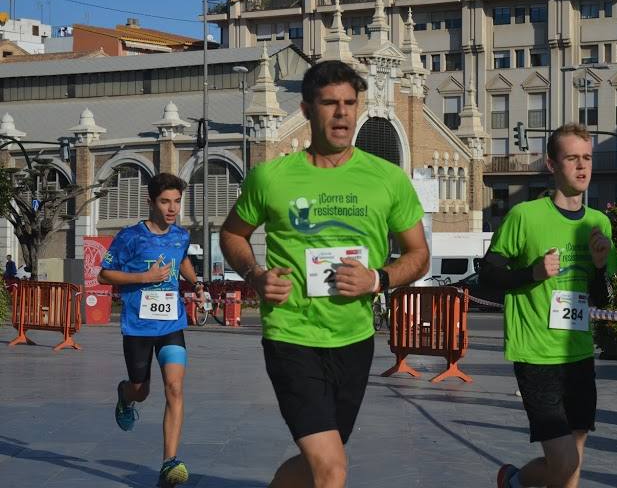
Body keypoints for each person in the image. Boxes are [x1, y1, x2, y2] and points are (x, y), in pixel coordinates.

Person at [219, 60, 429, 488]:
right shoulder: (271, 177)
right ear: (307, 109)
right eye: (330, 103)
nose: (342, 114)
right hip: (291, 336)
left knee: (320, 461)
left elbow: (418, 254)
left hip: (354, 340)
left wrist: (377, 280)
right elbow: (232, 235)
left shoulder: (387, 178)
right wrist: (255, 274)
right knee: (332, 468)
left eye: (350, 103)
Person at [483, 123, 617, 488]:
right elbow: (488, 274)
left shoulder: (599, 223)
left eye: (587, 158)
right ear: (551, 164)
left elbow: (603, 300)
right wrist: (532, 272)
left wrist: (599, 267)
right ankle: (515, 482)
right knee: (564, 460)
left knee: (571, 466)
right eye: (572, 158)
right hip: (537, 355)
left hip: (578, 354)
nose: (582, 167)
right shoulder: (525, 216)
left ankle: (515, 481)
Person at [99, 173, 203, 488]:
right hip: (138, 326)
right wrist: (144, 278)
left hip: (171, 323)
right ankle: (125, 395)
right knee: (140, 389)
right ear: (151, 202)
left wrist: (196, 283)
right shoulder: (130, 237)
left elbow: (181, 259)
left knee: (175, 387)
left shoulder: (181, 235)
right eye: (165, 201)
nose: (172, 208)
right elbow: (105, 274)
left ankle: (169, 462)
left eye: (176, 202)